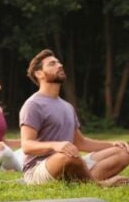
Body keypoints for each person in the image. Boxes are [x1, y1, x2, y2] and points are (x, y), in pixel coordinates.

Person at [19, 49, 129, 186]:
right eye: (52, 64)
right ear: (39, 73)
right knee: (68, 156)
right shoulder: (33, 104)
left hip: (72, 161)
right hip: (39, 169)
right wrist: (55, 145)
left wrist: (112, 144)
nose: (59, 65)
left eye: (59, 63)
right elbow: (27, 145)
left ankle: (84, 182)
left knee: (124, 152)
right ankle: (99, 184)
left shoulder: (67, 106)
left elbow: (80, 143)